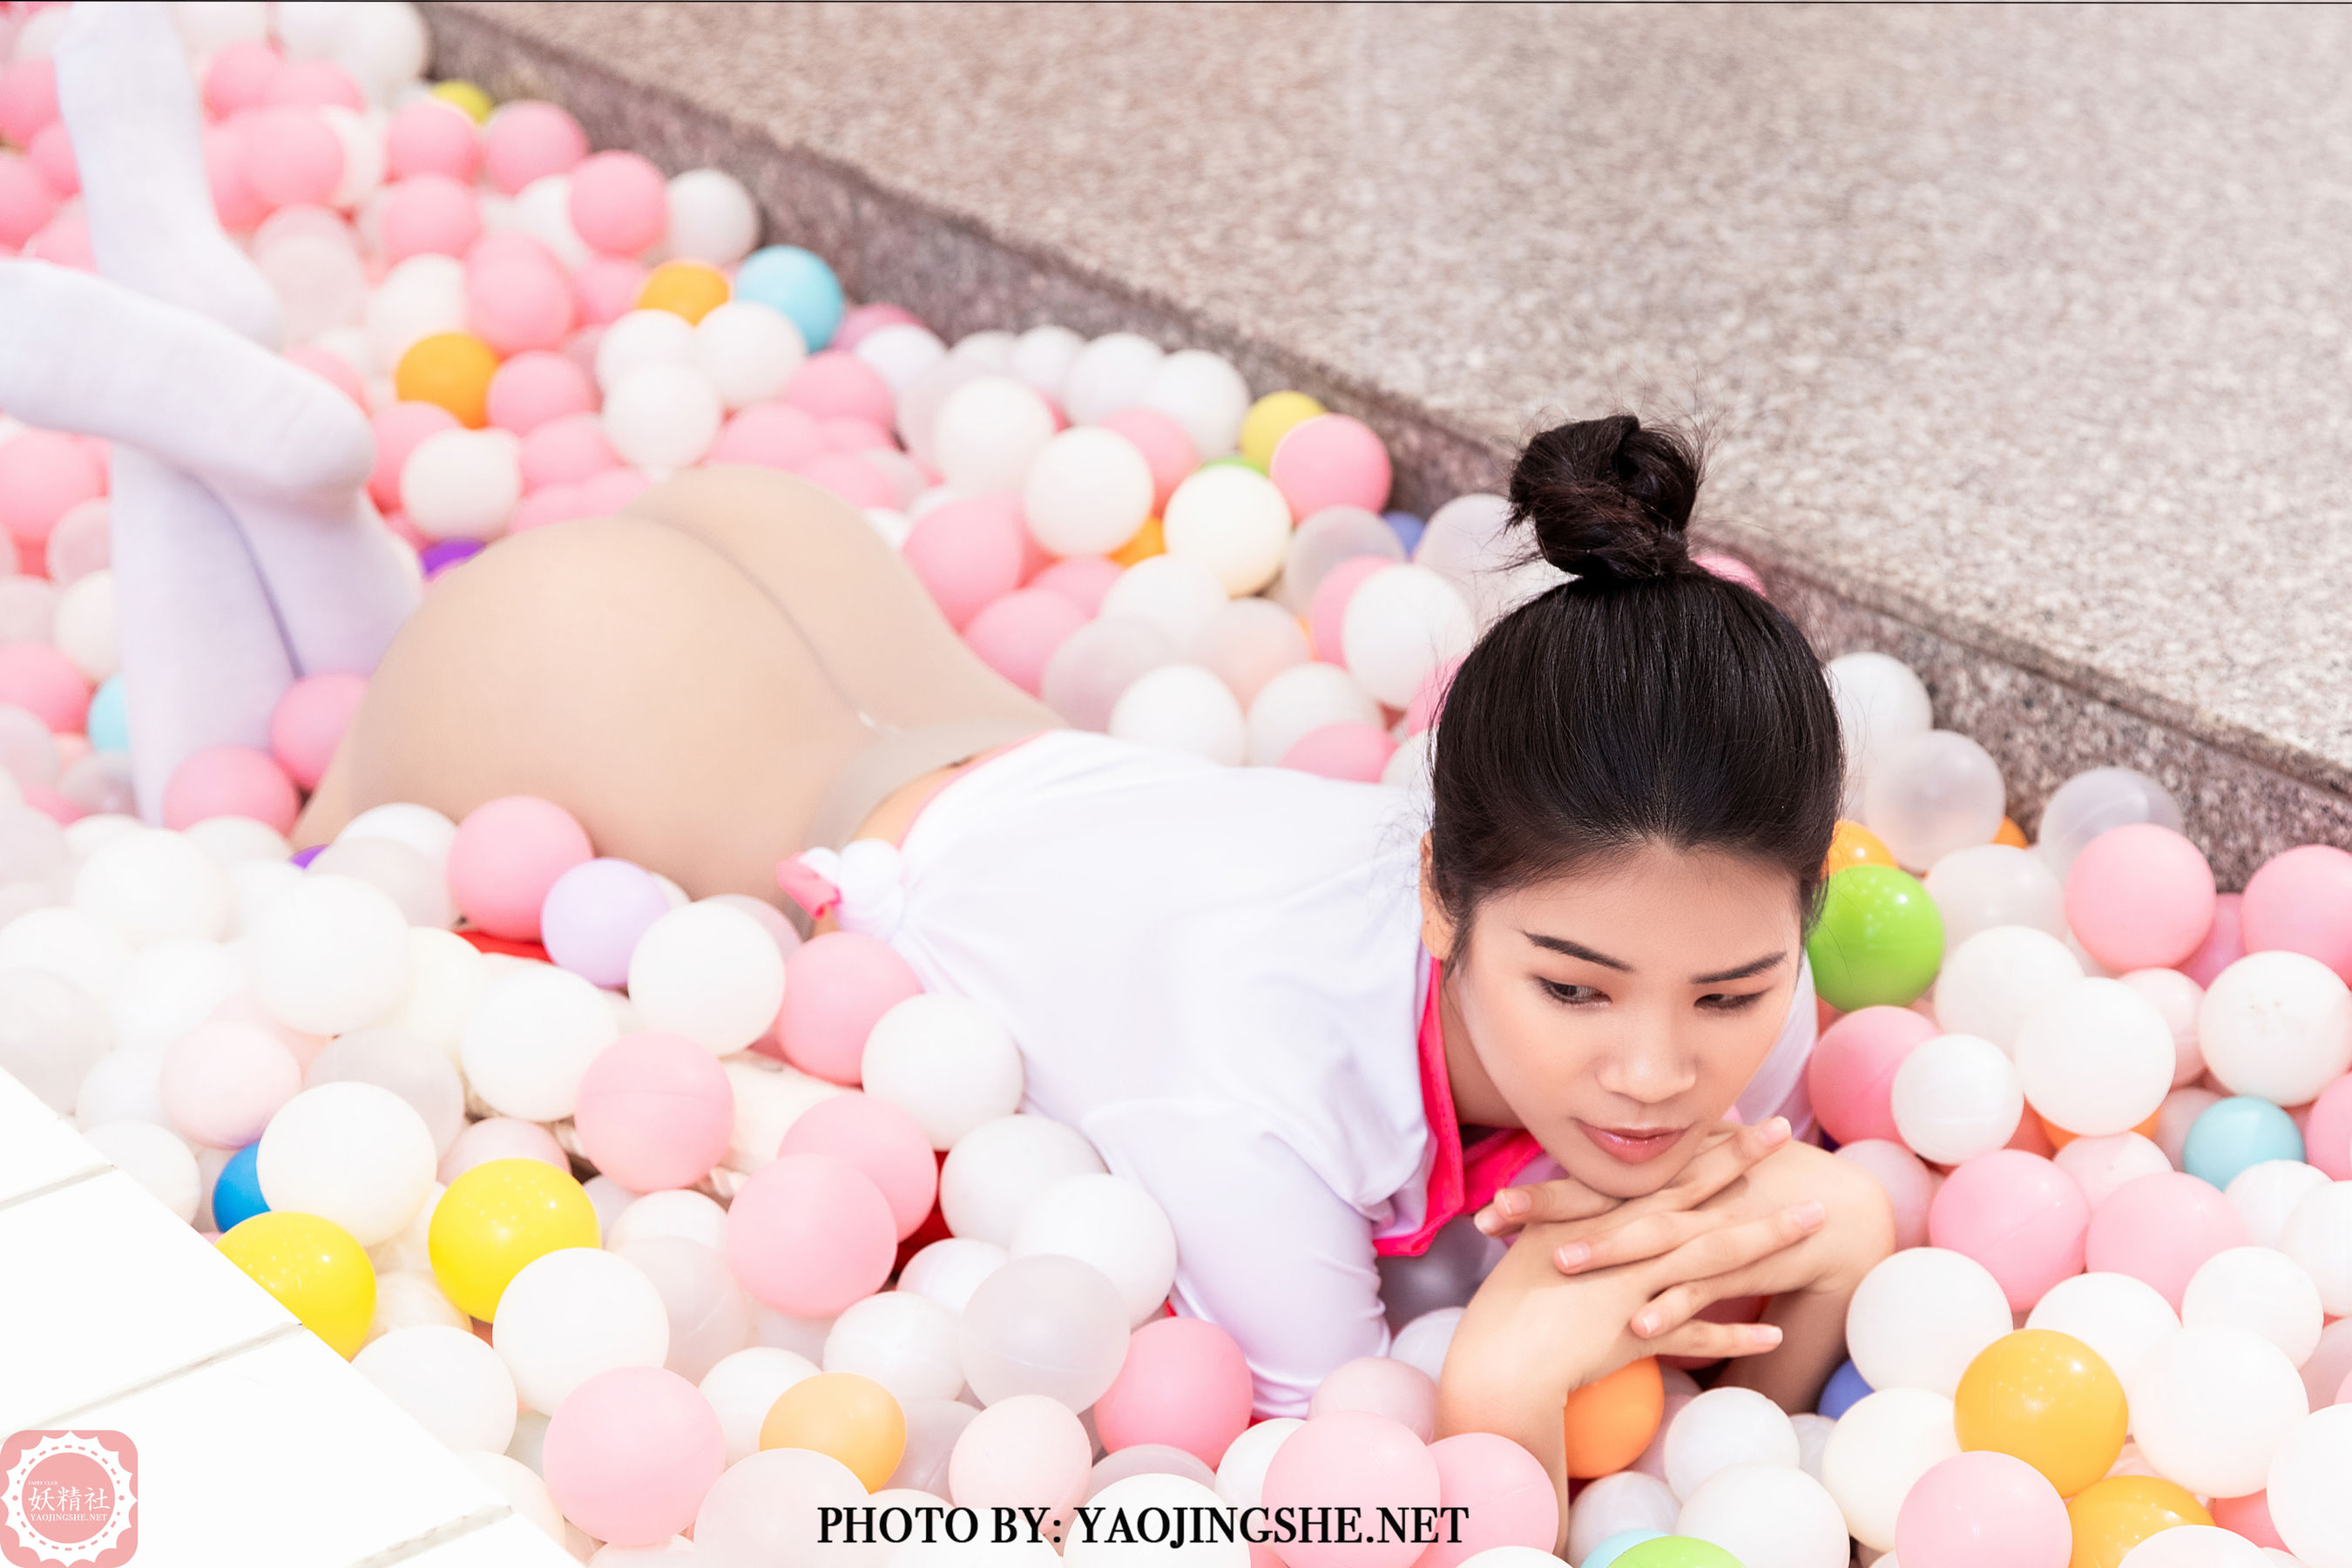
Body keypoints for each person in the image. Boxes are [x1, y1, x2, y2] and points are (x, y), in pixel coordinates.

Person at [12, 5, 1893, 1528]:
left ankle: (242, 398)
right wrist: (1501, 1371)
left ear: (1791, 919)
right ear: (1439, 892)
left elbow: (1736, 1202)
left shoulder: (1694, 923)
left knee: (321, 713)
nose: (1660, 1071)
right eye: (1574, 989)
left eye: (1727, 992)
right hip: (632, 693)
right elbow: (1375, 1488)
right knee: (245, 827)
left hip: (875, 647)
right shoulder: (1257, 1093)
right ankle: (235, 422)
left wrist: (1847, 1236)